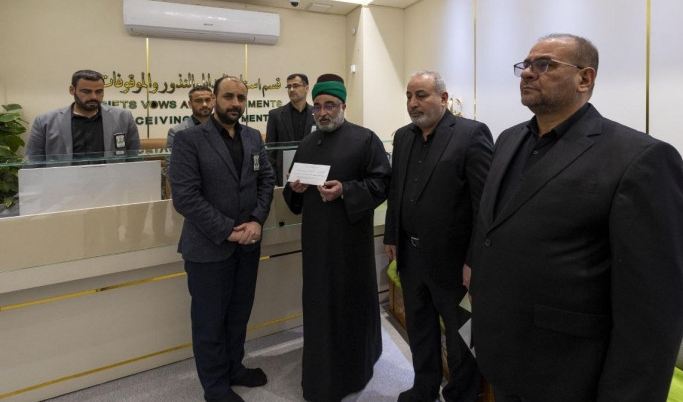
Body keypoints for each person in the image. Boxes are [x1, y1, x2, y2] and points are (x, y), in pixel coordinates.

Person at [468, 34, 683, 402]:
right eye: (525, 65)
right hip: (503, 355)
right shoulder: (508, 140)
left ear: (584, 78)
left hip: (569, 369)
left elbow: (654, 307)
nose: (527, 73)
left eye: (544, 64)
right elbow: (493, 229)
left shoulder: (640, 158)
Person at [384, 71, 493, 402]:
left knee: (462, 335)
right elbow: (396, 191)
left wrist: (474, 260)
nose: (413, 103)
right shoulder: (403, 137)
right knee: (420, 327)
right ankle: (424, 386)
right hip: (411, 256)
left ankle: (462, 394)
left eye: (421, 95)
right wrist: (391, 235)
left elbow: (485, 206)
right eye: (409, 96)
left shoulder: (471, 135)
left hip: (455, 263)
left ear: (443, 99)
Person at [283, 74, 391, 402]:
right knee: (319, 306)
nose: (323, 112)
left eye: (329, 105)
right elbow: (294, 194)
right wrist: (295, 188)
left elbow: (382, 184)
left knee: (349, 303)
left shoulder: (365, 139)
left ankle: (353, 371)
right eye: (317, 106)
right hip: (316, 243)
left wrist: (346, 190)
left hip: (350, 244)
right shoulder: (307, 143)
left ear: (343, 106)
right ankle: (320, 375)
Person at [169, 76, 275, 402]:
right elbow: (185, 197)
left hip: (248, 246)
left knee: (238, 314)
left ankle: (234, 368)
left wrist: (256, 220)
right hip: (208, 248)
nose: (235, 103)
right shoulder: (189, 139)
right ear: (214, 99)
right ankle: (215, 388)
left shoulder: (252, 137)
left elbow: (266, 180)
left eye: (241, 98)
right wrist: (228, 230)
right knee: (210, 322)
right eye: (228, 96)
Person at [25, 69, 140, 162]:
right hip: (64, 182)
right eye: (86, 91)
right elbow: (33, 164)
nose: (94, 97)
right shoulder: (45, 122)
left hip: (110, 182)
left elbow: (135, 160)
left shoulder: (124, 118)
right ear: (72, 90)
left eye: (99, 91)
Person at [265, 73, 315, 185]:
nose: (291, 90)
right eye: (289, 87)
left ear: (306, 88)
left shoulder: (316, 114)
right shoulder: (275, 115)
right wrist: (273, 179)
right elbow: (270, 151)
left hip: (311, 172)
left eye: (295, 86)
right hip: (283, 174)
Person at [166, 84, 214, 162]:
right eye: (199, 101)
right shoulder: (177, 132)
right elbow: (171, 164)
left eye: (208, 100)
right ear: (190, 104)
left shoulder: (223, 128)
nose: (204, 104)